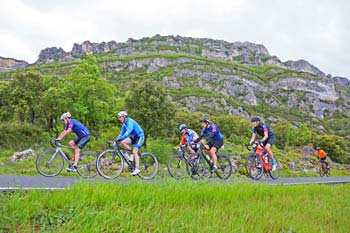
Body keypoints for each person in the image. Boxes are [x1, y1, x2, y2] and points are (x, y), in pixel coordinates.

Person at [114, 111, 144, 175]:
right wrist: (116, 140)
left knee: (135, 151)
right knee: (123, 142)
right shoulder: (124, 125)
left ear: (124, 117)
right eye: (118, 117)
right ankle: (131, 156)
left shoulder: (130, 121)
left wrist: (122, 137)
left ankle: (137, 169)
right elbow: (121, 134)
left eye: (120, 117)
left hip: (139, 136)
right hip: (134, 137)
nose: (119, 119)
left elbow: (128, 131)